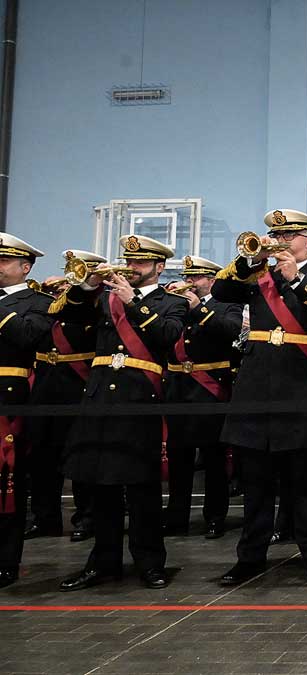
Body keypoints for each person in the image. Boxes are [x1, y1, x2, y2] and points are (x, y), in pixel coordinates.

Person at [213, 209, 307, 586]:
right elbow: (220, 291)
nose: (280, 242)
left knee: (306, 485)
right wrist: (250, 260)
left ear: (306, 240)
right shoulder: (256, 275)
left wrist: (295, 280)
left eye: (288, 236)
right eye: (275, 236)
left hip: (301, 388)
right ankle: (249, 557)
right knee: (256, 487)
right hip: (256, 389)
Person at [56, 235, 187, 591]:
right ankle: (103, 563)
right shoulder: (104, 299)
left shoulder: (170, 301)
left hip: (139, 400)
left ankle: (150, 563)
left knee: (142, 489)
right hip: (99, 400)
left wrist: (134, 303)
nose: (132, 268)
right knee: (101, 489)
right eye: (129, 261)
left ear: (159, 267)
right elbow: (69, 319)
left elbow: (169, 336)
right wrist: (86, 287)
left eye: (141, 263)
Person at [163, 256, 243, 539]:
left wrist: (198, 309)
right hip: (178, 388)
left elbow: (231, 331)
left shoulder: (226, 303)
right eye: (188, 277)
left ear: (211, 280)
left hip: (210, 389)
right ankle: (176, 516)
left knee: (213, 459)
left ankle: (215, 516)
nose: (190, 282)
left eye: (196, 278)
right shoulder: (174, 302)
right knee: (178, 458)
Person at [26, 252, 103, 543]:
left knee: (80, 456)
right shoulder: (48, 303)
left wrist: (78, 289)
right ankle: (45, 518)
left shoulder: (95, 303)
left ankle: (86, 517)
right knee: (43, 456)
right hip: (46, 385)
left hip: (77, 385)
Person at [0, 234, 51, 588]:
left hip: (9, 397)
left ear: (25, 267)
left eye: (4, 261)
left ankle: (5, 560)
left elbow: (28, 337)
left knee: (7, 483)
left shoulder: (39, 301)